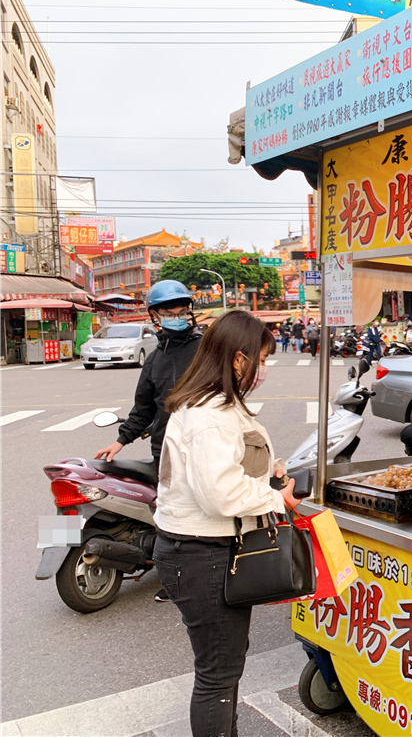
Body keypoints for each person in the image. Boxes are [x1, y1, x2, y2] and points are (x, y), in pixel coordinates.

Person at [152, 310, 302, 737]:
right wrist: (275, 497)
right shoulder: (210, 414)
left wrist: (264, 473)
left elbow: (226, 472)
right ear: (238, 359)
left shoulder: (216, 404)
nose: (263, 369)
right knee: (218, 673)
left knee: (225, 663)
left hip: (205, 551)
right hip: (201, 554)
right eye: (262, 359)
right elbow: (218, 493)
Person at [94, 280, 203, 604]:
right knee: (171, 513)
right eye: (168, 312)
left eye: (181, 311)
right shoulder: (154, 359)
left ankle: (206, 571)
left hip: (202, 443)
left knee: (202, 510)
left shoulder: (206, 348)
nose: (176, 316)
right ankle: (175, 576)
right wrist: (120, 441)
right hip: (166, 448)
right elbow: (144, 408)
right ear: (155, 316)